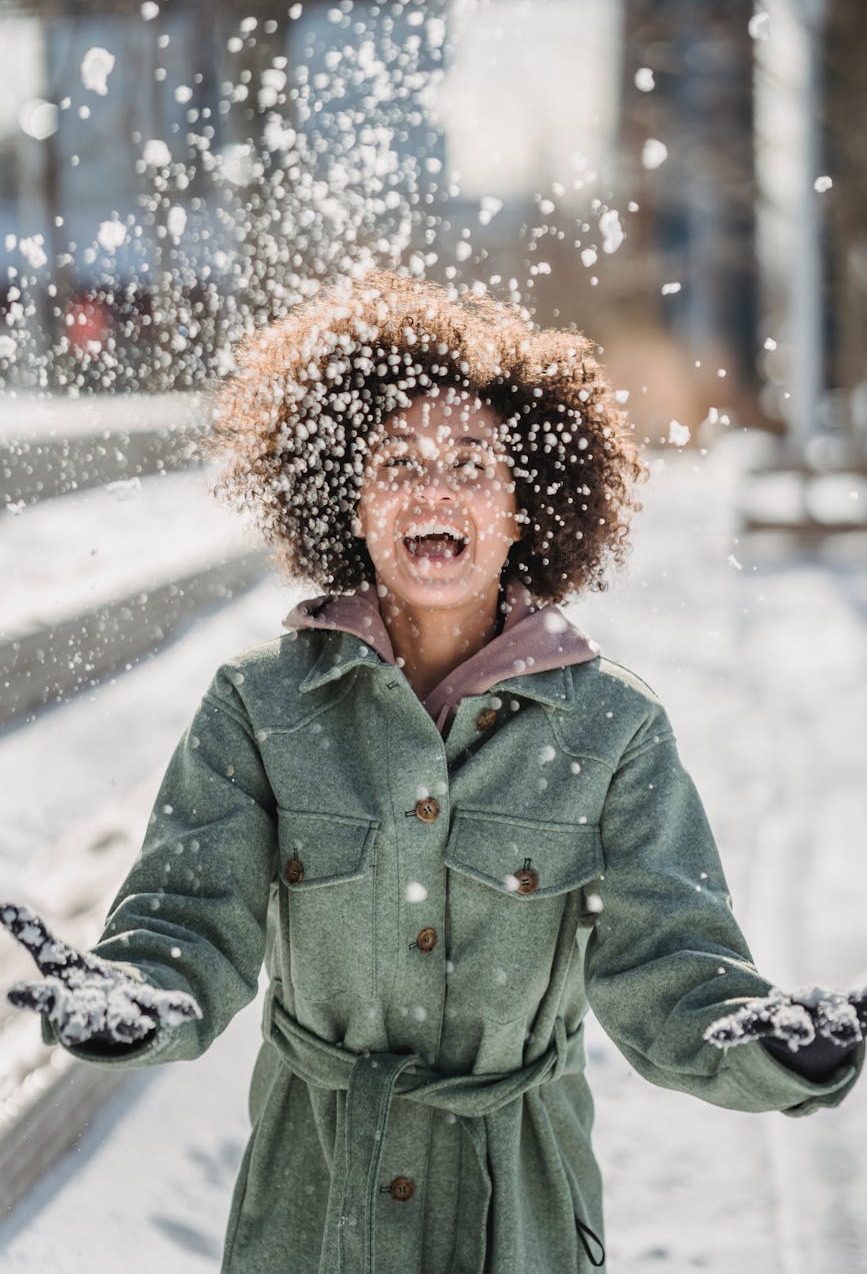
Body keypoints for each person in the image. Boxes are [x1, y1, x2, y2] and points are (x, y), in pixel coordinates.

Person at [2, 269, 865, 1273]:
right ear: (347, 501)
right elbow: (188, 926)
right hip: (309, 1211)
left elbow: (673, 970)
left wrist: (766, 1049)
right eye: (396, 462)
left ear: (522, 508)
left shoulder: (615, 729)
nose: (434, 488)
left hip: (518, 1217)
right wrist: (139, 1000)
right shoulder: (259, 708)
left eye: (471, 464)